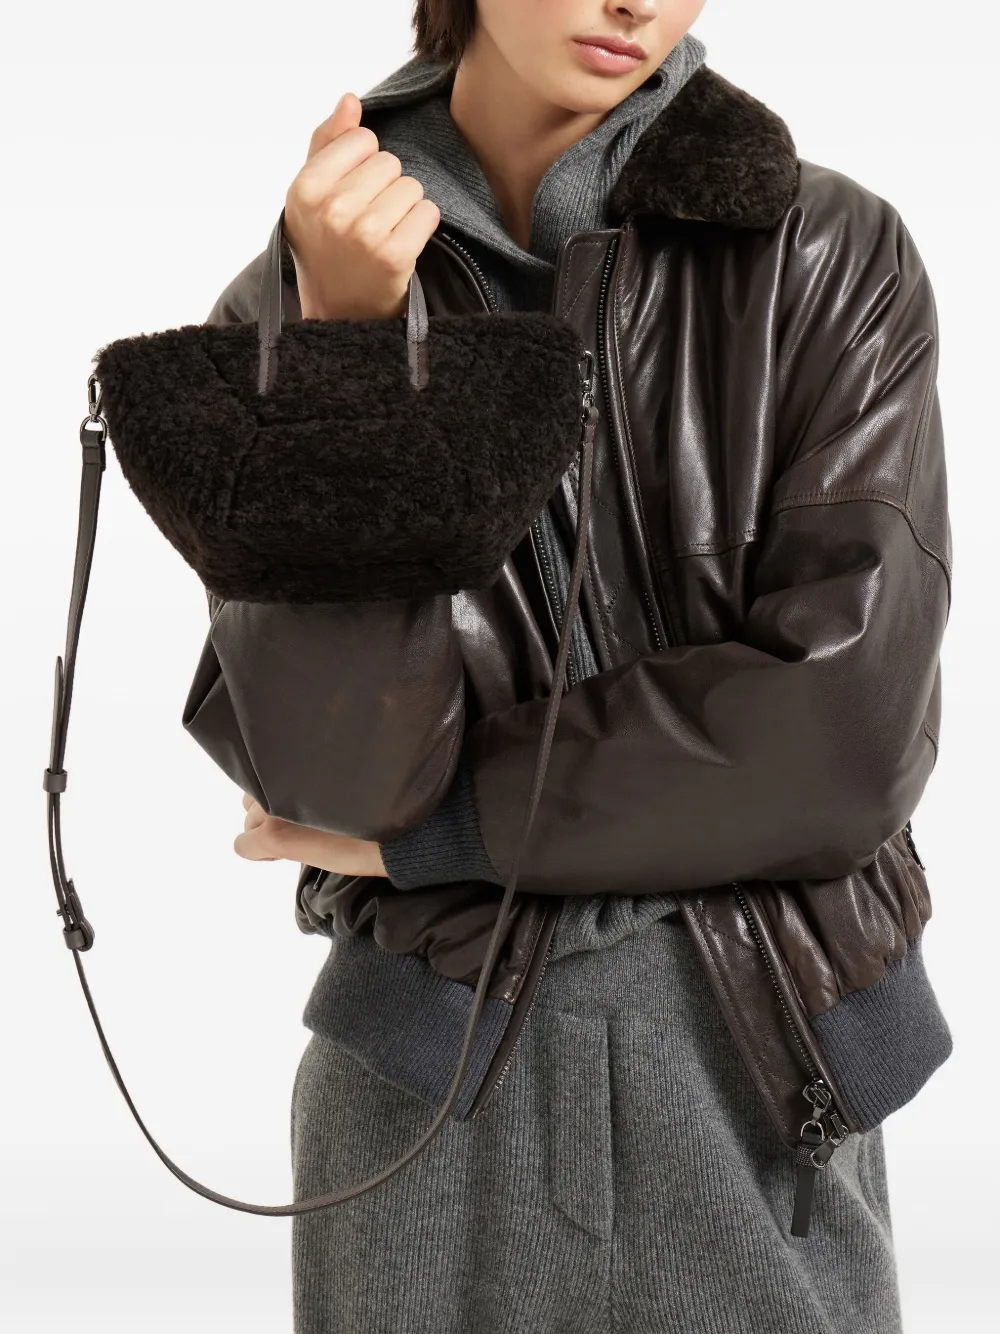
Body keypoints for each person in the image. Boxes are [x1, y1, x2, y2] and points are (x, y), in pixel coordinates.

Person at [199, 2, 953, 1330]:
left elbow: (840, 738)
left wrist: (445, 830)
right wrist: (348, 361)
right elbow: (330, 779)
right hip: (425, 1090)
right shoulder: (293, 308)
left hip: (753, 1059)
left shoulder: (825, 253)